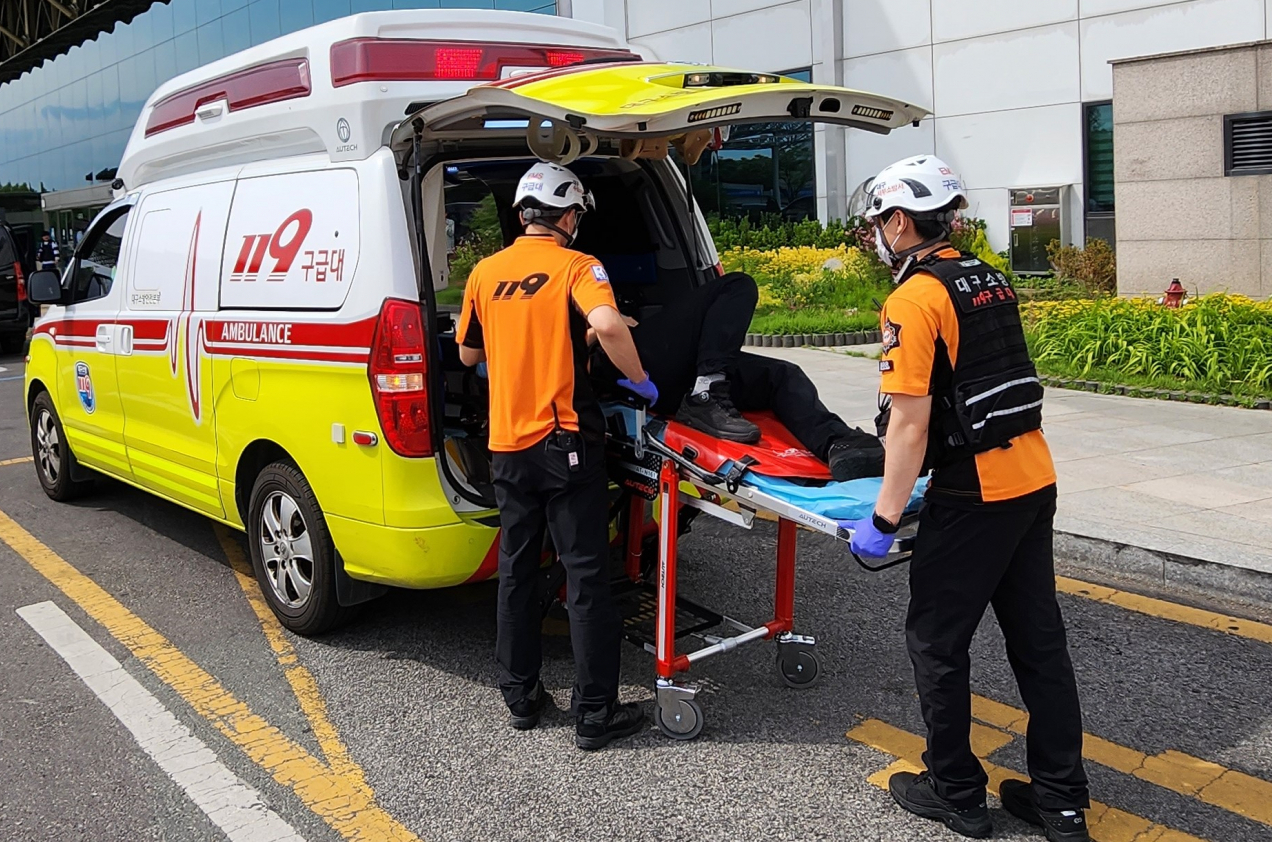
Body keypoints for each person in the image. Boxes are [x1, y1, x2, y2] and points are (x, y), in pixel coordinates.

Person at [846, 155, 1090, 842]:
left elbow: (911, 422)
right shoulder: (988, 276)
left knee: (937, 641)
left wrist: (885, 516)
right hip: (1033, 477)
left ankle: (955, 792)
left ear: (899, 220)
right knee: (1039, 644)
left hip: (973, 492)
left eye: (877, 223)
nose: (875, 236)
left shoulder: (913, 298)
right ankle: (1061, 801)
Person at [456, 162, 653, 751]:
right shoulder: (578, 265)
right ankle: (595, 715)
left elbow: (468, 357)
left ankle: (521, 697)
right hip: (564, 439)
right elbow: (608, 323)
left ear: (522, 215)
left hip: (506, 447)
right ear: (567, 217)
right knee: (587, 576)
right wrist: (639, 377)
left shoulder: (484, 273)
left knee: (517, 570)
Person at [591, 271, 886, 481]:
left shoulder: (557, 270)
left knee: (781, 375)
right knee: (736, 284)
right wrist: (610, 325)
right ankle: (705, 393)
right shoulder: (570, 269)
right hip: (626, 367)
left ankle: (838, 446)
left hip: (661, 379)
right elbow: (599, 331)